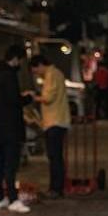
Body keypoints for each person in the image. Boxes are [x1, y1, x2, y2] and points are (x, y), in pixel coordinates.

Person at [0, 45, 33, 213]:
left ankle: (0, 197)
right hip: (10, 127)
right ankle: (13, 199)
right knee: (10, 165)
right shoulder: (8, 76)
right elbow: (14, 100)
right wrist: (28, 98)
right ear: (15, 59)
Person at [30, 55, 69, 199]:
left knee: (55, 156)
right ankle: (55, 187)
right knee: (54, 156)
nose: (35, 72)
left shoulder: (52, 74)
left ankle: (56, 189)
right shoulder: (53, 74)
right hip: (55, 120)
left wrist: (33, 97)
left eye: (35, 69)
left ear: (40, 64)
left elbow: (48, 98)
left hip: (55, 121)